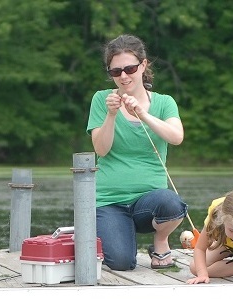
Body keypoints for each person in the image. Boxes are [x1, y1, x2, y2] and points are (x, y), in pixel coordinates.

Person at [86, 34, 188, 271]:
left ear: (143, 66)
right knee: (121, 262)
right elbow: (100, 149)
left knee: (172, 203)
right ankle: (116, 231)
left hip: (149, 201)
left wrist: (144, 114)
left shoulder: (164, 102)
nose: (123, 76)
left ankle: (160, 240)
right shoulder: (102, 100)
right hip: (109, 201)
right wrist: (111, 115)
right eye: (116, 71)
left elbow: (176, 137)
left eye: (130, 68)